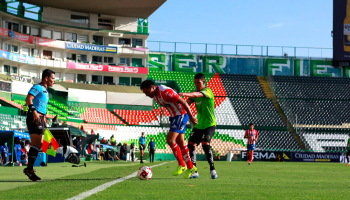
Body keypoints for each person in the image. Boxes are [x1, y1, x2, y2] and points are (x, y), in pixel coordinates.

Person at [141, 80, 198, 179]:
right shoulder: (154, 95)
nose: (146, 94)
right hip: (175, 116)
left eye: (147, 92)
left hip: (181, 115)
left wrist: (191, 117)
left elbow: (184, 102)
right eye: (144, 93)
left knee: (170, 140)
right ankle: (191, 167)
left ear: (153, 87)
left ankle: (182, 165)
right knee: (180, 143)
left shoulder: (165, 92)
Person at [179, 73, 218, 179]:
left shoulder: (207, 91)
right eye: (195, 83)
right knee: (190, 145)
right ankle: (194, 171)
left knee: (205, 144)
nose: (196, 84)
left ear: (204, 82)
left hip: (210, 124)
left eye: (198, 82)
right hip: (198, 125)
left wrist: (184, 93)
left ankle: (212, 169)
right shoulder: (195, 93)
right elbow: (187, 103)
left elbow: (196, 95)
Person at [24, 69, 55, 181]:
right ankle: (29, 169)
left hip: (40, 118)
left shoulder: (45, 91)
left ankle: (29, 169)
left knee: (39, 144)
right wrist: (34, 111)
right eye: (52, 78)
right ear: (46, 78)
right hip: (35, 117)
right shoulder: (38, 87)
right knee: (37, 143)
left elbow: (40, 104)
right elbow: (28, 99)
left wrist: (44, 116)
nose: (54, 81)